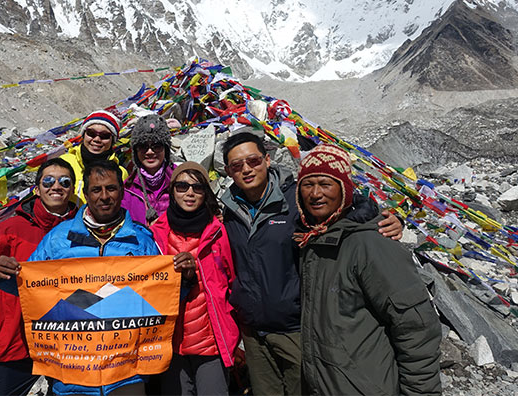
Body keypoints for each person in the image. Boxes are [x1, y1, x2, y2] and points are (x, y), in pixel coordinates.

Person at [219, 131, 404, 396]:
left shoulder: (296, 200)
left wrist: (380, 219)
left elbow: (345, 204)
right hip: (254, 332)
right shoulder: (229, 211)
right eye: (237, 166)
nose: (247, 169)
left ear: (267, 160)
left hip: (296, 329)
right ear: (228, 171)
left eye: (253, 161)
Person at [295, 144, 442, 396]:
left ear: (344, 190)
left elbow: (417, 327)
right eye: (308, 185)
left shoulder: (372, 243)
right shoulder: (312, 239)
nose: (316, 193)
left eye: (326, 184)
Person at [26, 159, 161, 396]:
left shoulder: (142, 241)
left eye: (111, 188)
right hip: (72, 373)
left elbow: (160, 297)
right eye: (96, 190)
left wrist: (185, 277)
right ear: (85, 193)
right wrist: (3, 276)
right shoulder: (58, 239)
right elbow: (30, 290)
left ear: (122, 191)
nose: (104, 196)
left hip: (126, 375)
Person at [0, 158, 77, 396]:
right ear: (37, 188)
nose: (56, 186)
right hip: (15, 340)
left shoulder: (82, 229)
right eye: (48, 181)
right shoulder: (12, 229)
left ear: (73, 189)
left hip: (67, 342)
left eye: (64, 181)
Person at [150, 162, 239, 396]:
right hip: (170, 344)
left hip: (211, 342)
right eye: (182, 186)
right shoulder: (155, 233)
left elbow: (232, 280)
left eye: (198, 187)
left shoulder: (219, 231)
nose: (190, 193)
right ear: (172, 191)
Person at [60, 109, 128, 206]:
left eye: (104, 136)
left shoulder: (120, 173)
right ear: (84, 135)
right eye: (91, 133)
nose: (96, 139)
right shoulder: (64, 163)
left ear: (112, 141)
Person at [122, 114, 175, 225]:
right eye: (143, 146)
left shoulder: (181, 180)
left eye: (157, 146)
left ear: (166, 149)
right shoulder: (127, 189)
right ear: (135, 152)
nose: (150, 152)